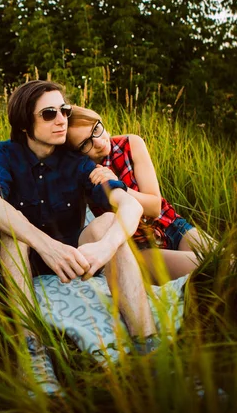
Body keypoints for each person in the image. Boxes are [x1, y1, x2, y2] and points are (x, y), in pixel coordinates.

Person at [0, 80, 159, 395]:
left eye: (63, 110)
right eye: (49, 113)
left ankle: (149, 347)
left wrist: (106, 246)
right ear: (24, 123)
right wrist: (45, 246)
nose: (61, 119)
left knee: (107, 221)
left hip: (77, 254)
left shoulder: (76, 163)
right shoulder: (6, 153)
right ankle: (30, 351)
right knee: (12, 234)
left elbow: (128, 205)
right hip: (28, 257)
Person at [66, 105, 214, 284]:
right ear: (76, 153)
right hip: (140, 248)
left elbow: (154, 206)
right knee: (211, 269)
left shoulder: (130, 143)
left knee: (228, 263)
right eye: (85, 143)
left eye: (96, 129)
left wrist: (118, 186)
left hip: (172, 226)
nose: (98, 141)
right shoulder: (85, 174)